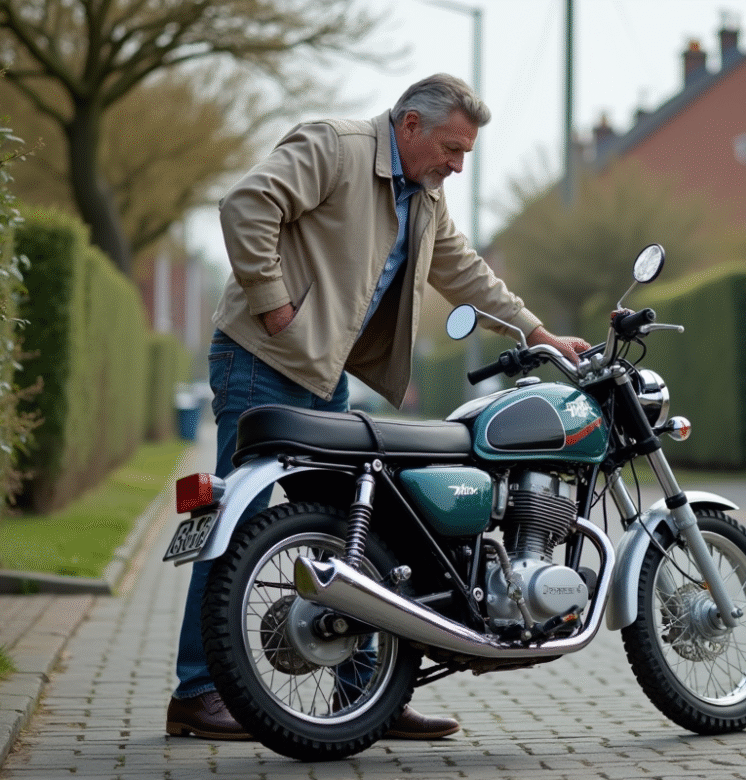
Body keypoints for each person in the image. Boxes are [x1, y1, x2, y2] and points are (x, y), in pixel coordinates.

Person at [165, 74, 589, 742]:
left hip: (323, 376)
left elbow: (465, 272)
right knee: (237, 519)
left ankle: (367, 695)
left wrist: (537, 334)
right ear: (410, 127)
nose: (457, 164)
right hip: (259, 361)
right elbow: (247, 206)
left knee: (355, 533)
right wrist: (277, 305)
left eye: (466, 155)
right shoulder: (336, 148)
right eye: (451, 148)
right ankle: (197, 692)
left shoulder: (423, 198)